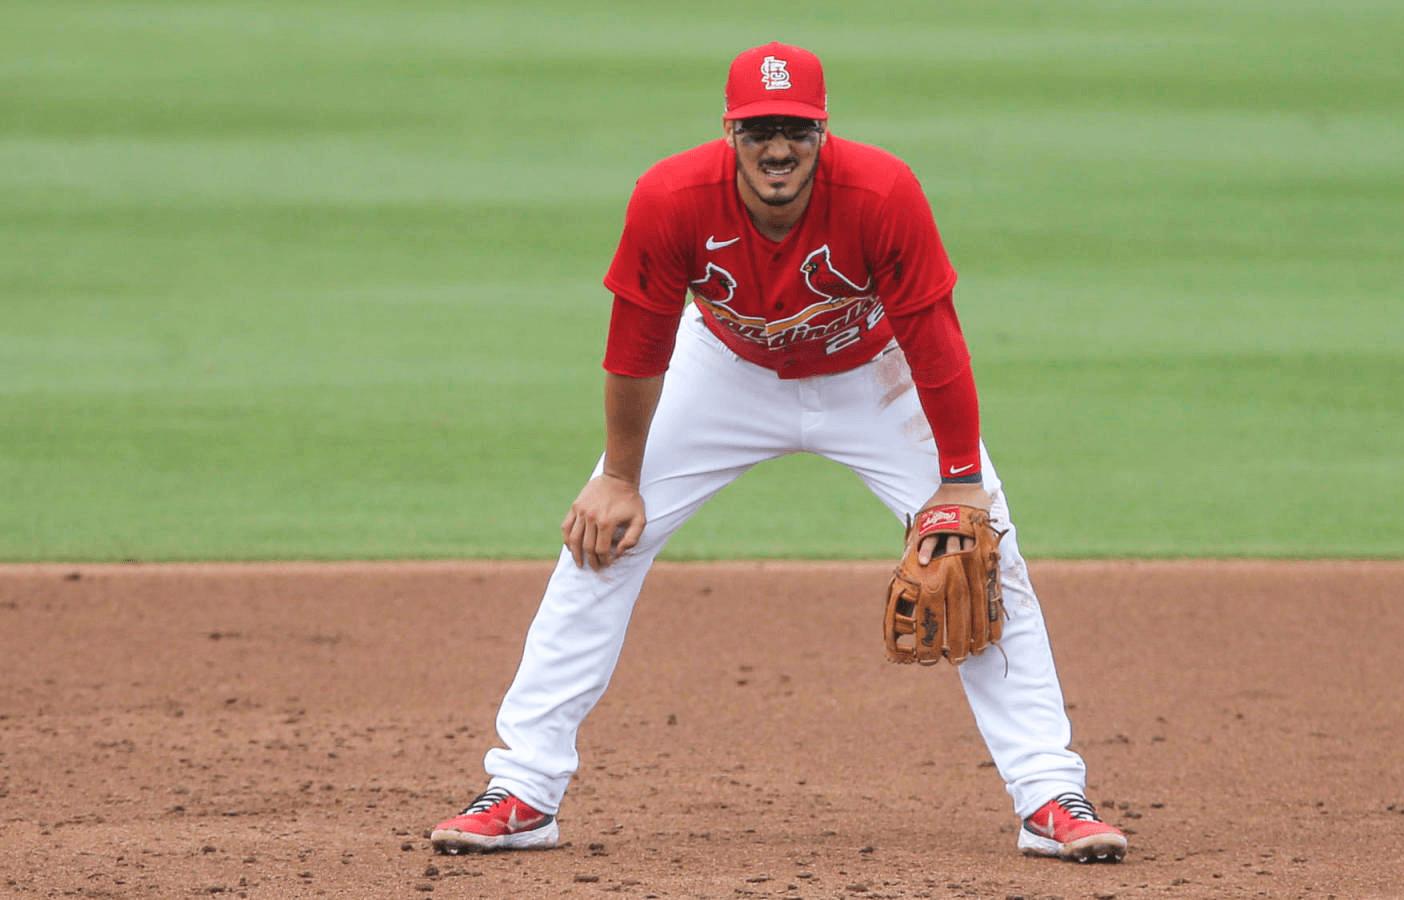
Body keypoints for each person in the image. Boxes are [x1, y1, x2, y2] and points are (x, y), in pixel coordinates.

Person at [429, 41, 1127, 864]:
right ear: (731, 133)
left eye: (795, 128)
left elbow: (933, 336)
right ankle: (524, 792)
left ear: (821, 132)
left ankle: (1050, 795)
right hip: (724, 371)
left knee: (978, 552)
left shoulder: (881, 192)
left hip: (874, 376)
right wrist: (619, 477)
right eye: (758, 129)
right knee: (599, 544)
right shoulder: (671, 198)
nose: (777, 148)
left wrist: (961, 480)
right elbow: (637, 346)